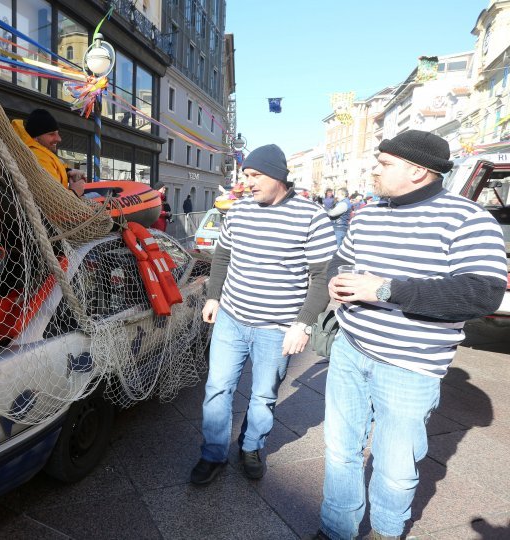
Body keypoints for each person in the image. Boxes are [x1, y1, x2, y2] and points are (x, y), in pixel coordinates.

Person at [309, 130, 507, 540]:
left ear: (418, 170)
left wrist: (384, 289)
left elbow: (482, 292)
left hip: (410, 367)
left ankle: (386, 531)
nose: (374, 170)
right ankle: (335, 529)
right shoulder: (367, 213)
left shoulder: (467, 218)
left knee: (395, 467)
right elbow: (341, 259)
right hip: (350, 349)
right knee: (340, 452)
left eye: (384, 164)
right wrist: (334, 280)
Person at [190, 144, 337, 485]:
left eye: (255, 176)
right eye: (246, 176)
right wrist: (213, 298)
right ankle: (212, 453)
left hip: (278, 328)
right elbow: (222, 259)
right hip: (231, 318)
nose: (248, 183)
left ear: (277, 176)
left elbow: (321, 278)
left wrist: (302, 325)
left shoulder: (311, 217)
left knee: (264, 395)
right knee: (217, 389)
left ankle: (251, 447)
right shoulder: (238, 212)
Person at [11, 108, 87, 197]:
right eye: (51, 134)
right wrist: (75, 191)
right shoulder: (38, 157)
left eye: (57, 133)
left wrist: (68, 171)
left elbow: (51, 171)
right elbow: (52, 200)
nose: (59, 138)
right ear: (36, 137)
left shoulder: (42, 153)